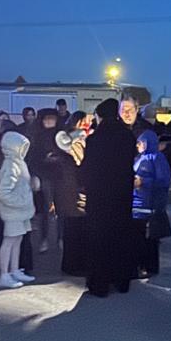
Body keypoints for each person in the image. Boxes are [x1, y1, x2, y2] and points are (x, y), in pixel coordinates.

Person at [80, 99, 137, 297]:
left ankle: (100, 284)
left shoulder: (95, 139)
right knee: (121, 237)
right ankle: (122, 281)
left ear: (101, 116)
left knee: (99, 240)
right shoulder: (128, 136)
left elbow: (87, 170)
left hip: (99, 197)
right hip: (122, 196)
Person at [0, 129, 37, 288]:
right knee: (9, 242)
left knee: (17, 240)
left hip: (20, 211)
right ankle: (4, 274)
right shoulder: (11, 165)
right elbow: (3, 192)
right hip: (14, 211)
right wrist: (21, 201)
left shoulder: (19, 162)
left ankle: (14, 269)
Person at [132, 129, 171, 277]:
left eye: (140, 142)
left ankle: (148, 267)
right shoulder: (140, 158)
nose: (138, 145)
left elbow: (163, 181)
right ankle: (141, 266)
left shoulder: (157, 158)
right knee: (139, 238)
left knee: (148, 239)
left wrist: (143, 181)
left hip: (148, 205)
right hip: (137, 204)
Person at [54, 112, 89, 276]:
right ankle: (74, 265)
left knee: (73, 226)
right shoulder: (74, 142)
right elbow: (82, 163)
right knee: (75, 227)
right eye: (84, 121)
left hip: (71, 188)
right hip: (74, 189)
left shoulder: (72, 140)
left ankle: (72, 264)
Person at [29, 107, 64, 252]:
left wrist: (58, 158)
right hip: (44, 176)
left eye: (52, 118)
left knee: (61, 209)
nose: (49, 121)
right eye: (46, 119)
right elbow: (32, 158)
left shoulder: (61, 135)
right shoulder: (37, 137)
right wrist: (43, 161)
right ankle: (44, 239)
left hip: (60, 176)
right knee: (45, 209)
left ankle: (61, 238)